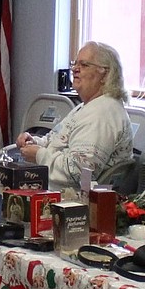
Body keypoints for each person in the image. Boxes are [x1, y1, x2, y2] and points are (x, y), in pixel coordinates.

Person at [14, 41, 134, 191]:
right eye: (75, 64)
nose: (75, 69)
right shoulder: (89, 107)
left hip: (69, 203)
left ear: (105, 74)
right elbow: (58, 140)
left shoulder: (102, 114)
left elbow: (79, 173)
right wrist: (34, 142)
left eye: (84, 65)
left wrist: (39, 155)